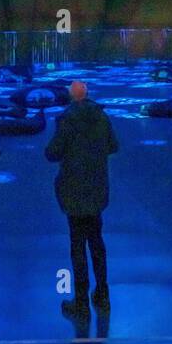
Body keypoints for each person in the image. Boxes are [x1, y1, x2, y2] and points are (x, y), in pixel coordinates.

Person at [45, 80, 118, 319]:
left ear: (70, 96)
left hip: (74, 191)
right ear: (87, 95)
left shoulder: (66, 120)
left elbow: (52, 153)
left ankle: (81, 302)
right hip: (97, 188)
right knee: (97, 242)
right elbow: (113, 146)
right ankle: (103, 295)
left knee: (77, 246)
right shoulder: (101, 117)